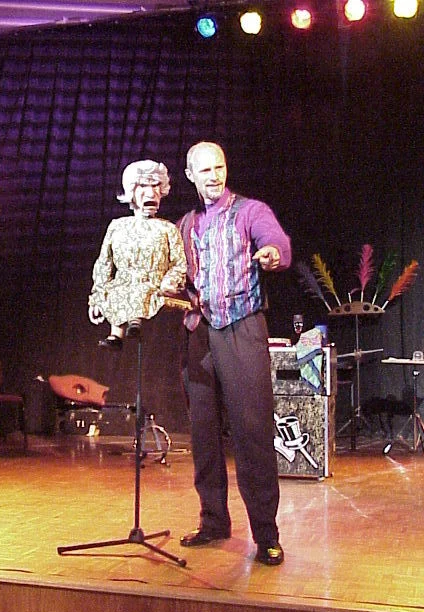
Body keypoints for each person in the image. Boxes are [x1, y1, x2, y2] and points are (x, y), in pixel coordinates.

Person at [177, 141, 291, 565]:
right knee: (203, 431)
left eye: (219, 167)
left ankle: (266, 533)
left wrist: (273, 254)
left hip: (242, 326)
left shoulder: (250, 211)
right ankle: (213, 520)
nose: (213, 176)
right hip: (199, 331)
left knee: (252, 430)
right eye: (204, 170)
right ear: (190, 175)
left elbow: (276, 240)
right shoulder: (185, 224)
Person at [88, 160, 187, 348]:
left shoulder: (168, 229)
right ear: (132, 190)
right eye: (143, 185)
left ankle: (135, 323)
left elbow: (178, 263)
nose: (151, 192)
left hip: (152, 285)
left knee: (139, 290)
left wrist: (171, 280)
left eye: (155, 185)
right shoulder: (118, 226)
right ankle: (116, 335)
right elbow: (104, 264)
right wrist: (96, 298)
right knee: (117, 291)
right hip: (123, 283)